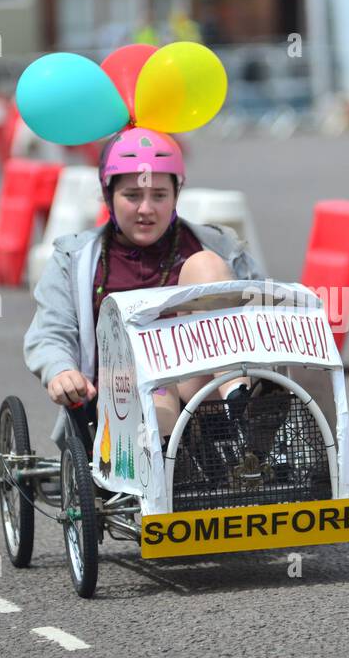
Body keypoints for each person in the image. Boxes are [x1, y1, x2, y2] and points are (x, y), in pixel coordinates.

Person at [24, 127, 265, 450]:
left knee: (206, 266)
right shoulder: (75, 258)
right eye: (132, 196)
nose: (146, 209)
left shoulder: (218, 245)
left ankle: (239, 397)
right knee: (158, 398)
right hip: (122, 397)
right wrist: (61, 371)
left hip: (208, 388)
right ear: (108, 195)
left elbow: (264, 314)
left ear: (176, 195)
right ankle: (175, 466)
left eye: (159, 196)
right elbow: (50, 332)